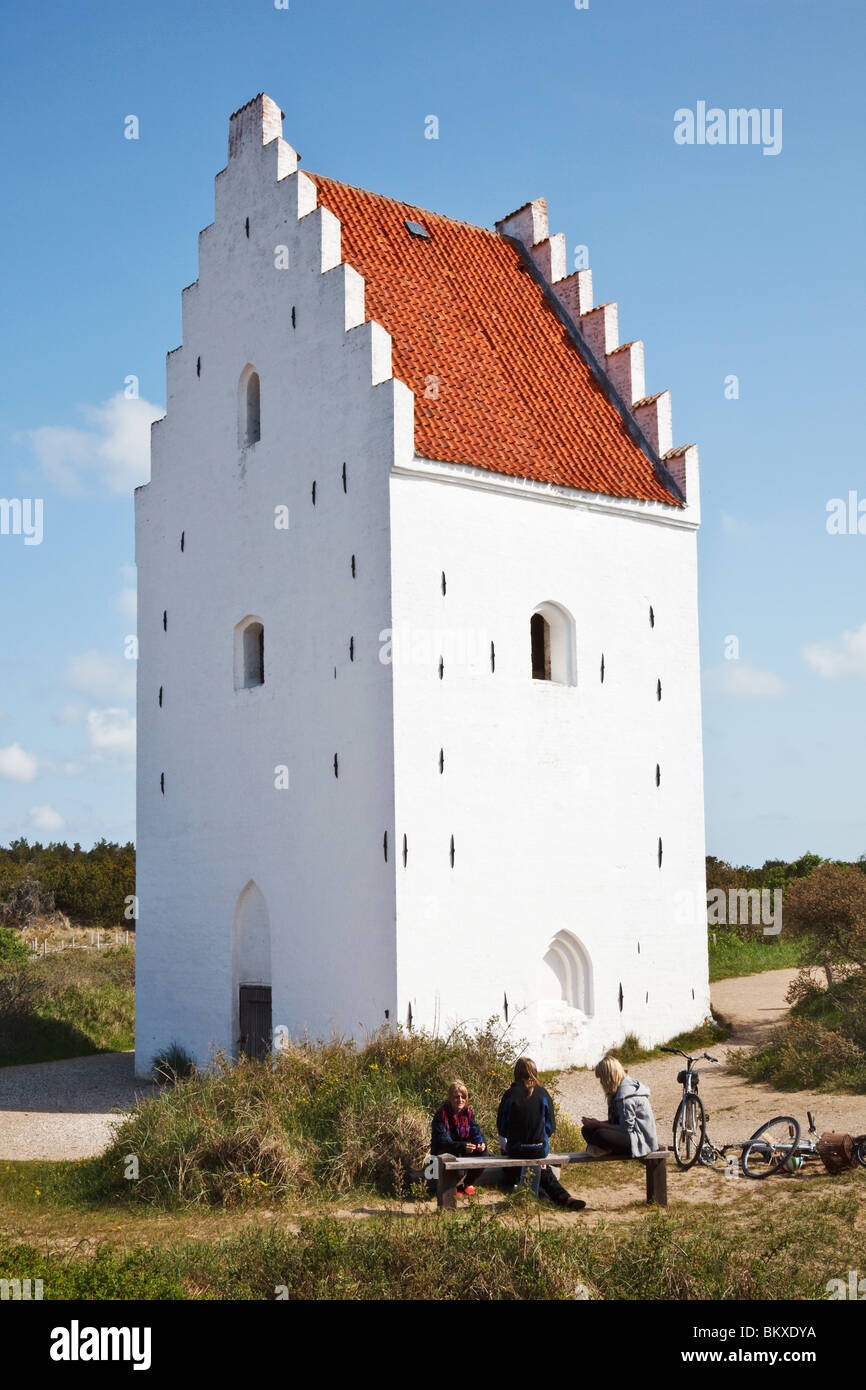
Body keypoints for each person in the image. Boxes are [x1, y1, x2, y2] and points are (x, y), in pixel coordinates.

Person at [497, 1057, 586, 1210]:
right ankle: (565, 1198)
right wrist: (537, 1138)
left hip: (516, 1149)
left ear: (516, 1073)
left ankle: (543, 1196)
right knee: (543, 1167)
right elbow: (551, 1126)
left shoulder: (510, 1094)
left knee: (516, 1167)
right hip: (539, 1149)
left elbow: (502, 1128)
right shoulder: (543, 1093)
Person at [581, 1056, 659, 1157]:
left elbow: (625, 1129)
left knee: (600, 1135)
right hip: (629, 1135)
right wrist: (594, 1123)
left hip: (640, 1141)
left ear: (609, 1077)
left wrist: (599, 1124)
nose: (601, 1082)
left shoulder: (626, 1096)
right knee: (586, 1130)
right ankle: (605, 1148)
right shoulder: (616, 1092)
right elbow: (616, 1123)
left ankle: (603, 1149)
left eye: (602, 1078)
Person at [430, 1080, 488, 1195]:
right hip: (444, 1150)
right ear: (450, 1098)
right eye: (456, 1097)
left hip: (462, 1148)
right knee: (450, 1158)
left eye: (463, 1097)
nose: (460, 1100)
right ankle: (452, 1187)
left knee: (484, 1154)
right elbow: (443, 1142)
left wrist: (481, 1143)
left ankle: (466, 1183)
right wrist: (462, 1146)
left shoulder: (468, 1112)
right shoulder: (441, 1115)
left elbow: (475, 1131)